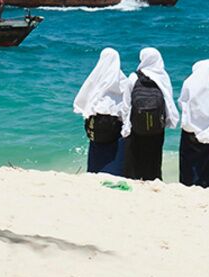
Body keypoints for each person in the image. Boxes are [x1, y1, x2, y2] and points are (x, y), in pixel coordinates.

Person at [122, 47, 179, 181]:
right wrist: (169, 121)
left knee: (135, 156)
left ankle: (135, 179)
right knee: (154, 157)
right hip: (157, 127)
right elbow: (168, 101)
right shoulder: (163, 77)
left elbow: (126, 104)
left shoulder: (133, 77)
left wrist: (126, 125)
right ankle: (153, 179)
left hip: (136, 125)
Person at [73, 47, 127, 175]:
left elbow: (83, 101)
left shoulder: (95, 79)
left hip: (97, 126)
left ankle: (94, 173)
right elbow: (126, 106)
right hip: (116, 126)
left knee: (97, 154)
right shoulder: (123, 81)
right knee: (115, 156)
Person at [178, 59, 209, 188]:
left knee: (188, 162)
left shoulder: (189, 82)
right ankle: (207, 185)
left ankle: (188, 185)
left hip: (191, 128)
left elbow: (182, 101)